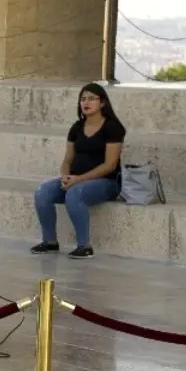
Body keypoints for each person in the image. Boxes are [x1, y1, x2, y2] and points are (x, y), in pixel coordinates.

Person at [30, 82, 126, 260]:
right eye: (82, 99)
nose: (86, 102)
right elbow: (68, 159)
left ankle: (84, 246)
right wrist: (65, 176)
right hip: (76, 180)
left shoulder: (112, 127)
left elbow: (110, 165)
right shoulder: (76, 127)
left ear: (102, 103)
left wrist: (79, 180)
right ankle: (50, 242)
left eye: (91, 98)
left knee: (75, 194)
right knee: (42, 192)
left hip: (107, 183)